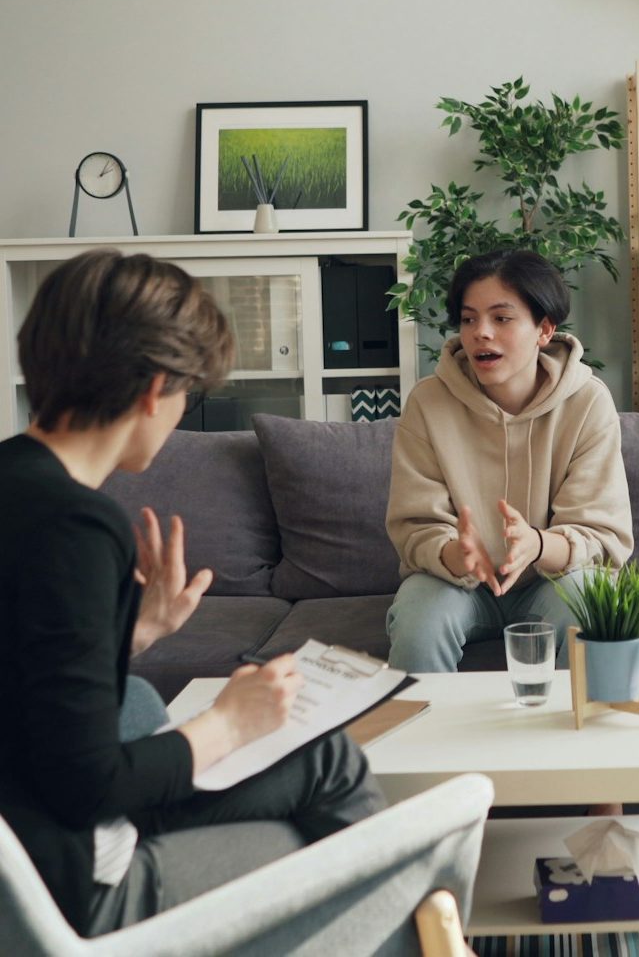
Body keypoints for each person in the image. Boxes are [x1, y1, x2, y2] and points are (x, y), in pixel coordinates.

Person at [0, 249, 384, 938]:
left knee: (320, 765)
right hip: (68, 888)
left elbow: (26, 689)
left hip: (32, 826)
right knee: (332, 854)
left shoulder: (15, 481)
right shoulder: (75, 525)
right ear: (155, 389)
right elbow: (83, 782)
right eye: (188, 393)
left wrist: (134, 633)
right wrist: (229, 723)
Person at [385, 249, 634, 673]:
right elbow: (414, 525)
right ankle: (423, 719)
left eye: (501, 318)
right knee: (419, 622)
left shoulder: (588, 402)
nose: (481, 333)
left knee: (593, 606)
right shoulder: (428, 402)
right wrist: (455, 554)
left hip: (552, 579)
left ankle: (576, 719)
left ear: (544, 329)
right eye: (469, 319)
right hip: (455, 584)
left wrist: (536, 544)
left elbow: (599, 533)